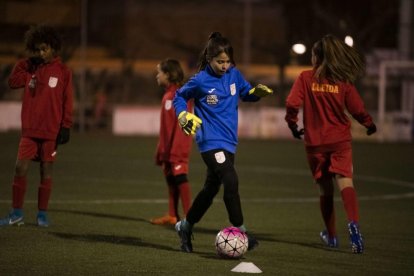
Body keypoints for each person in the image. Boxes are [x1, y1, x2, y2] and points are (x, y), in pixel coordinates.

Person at [173, 32, 273, 253]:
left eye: (227, 61)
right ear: (209, 59)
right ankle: (242, 232)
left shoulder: (234, 75)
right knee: (230, 178)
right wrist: (182, 115)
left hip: (229, 142)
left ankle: (186, 226)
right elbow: (179, 97)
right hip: (209, 141)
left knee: (210, 190)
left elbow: (245, 93)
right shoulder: (199, 80)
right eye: (220, 61)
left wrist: (255, 93)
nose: (224, 66)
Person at [284, 34, 377, 254]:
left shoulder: (306, 78)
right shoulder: (342, 80)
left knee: (325, 190)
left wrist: (292, 124)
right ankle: (353, 225)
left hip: (315, 144)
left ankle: (332, 236)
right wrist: (368, 123)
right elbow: (357, 107)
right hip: (340, 142)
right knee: (346, 184)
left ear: (317, 57)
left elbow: (291, 103)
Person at [0, 24, 73, 227]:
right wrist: (25, 66)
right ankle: (16, 213)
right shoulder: (30, 67)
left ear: (53, 48)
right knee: (19, 168)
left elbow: (68, 101)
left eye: (45, 49)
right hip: (30, 130)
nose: (41, 53)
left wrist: (66, 126)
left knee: (45, 171)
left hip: (51, 131)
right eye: (38, 49)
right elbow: (12, 82)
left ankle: (42, 214)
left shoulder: (63, 71)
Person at [150, 58, 193, 225]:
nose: (157, 76)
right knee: (170, 180)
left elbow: (184, 126)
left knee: (180, 178)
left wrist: (177, 149)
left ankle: (190, 218)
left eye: (159, 72)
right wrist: (161, 149)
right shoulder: (167, 95)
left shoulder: (181, 95)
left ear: (168, 74)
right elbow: (166, 128)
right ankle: (172, 215)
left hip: (178, 148)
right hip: (167, 148)